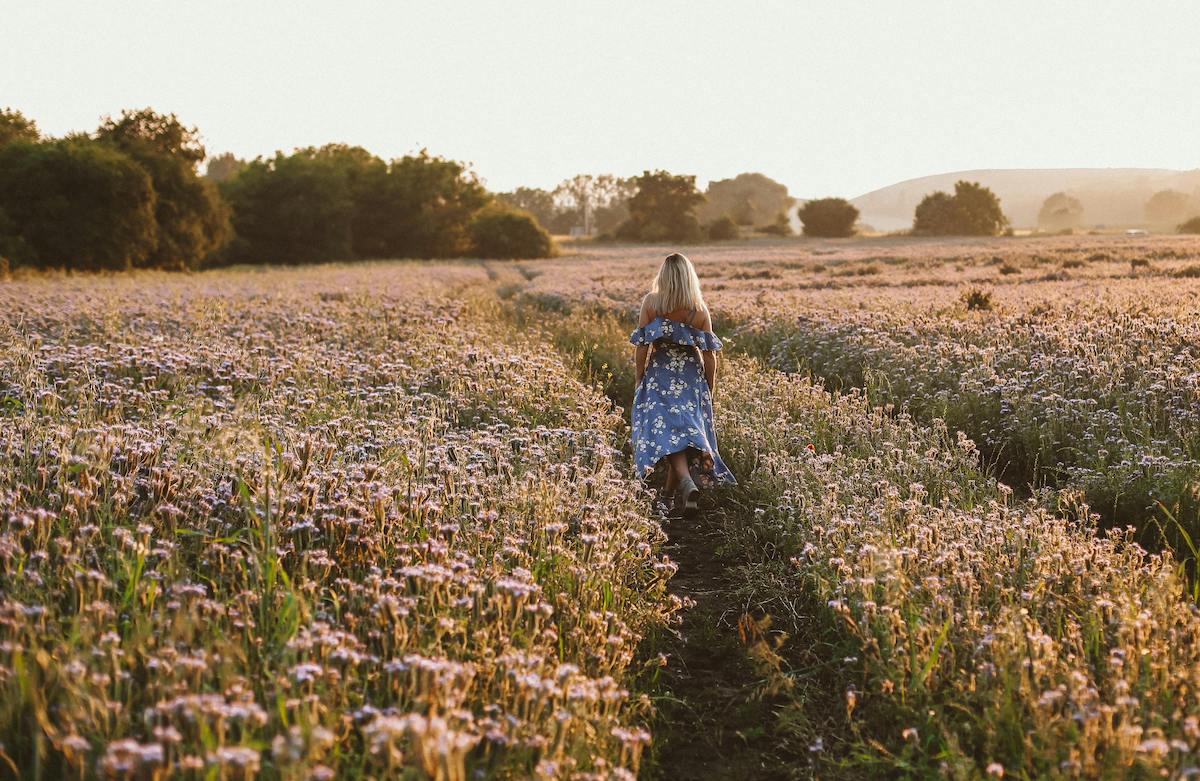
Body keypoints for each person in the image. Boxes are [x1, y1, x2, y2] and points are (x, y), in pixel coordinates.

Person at [630, 253, 735, 517]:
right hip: (691, 378)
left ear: (664, 276)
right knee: (684, 436)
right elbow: (710, 355)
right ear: (689, 277)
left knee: (668, 434)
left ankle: (678, 490)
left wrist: (639, 378)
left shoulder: (652, 303)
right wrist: (708, 387)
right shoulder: (698, 310)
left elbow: (642, 347)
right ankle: (674, 493)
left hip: (660, 375)